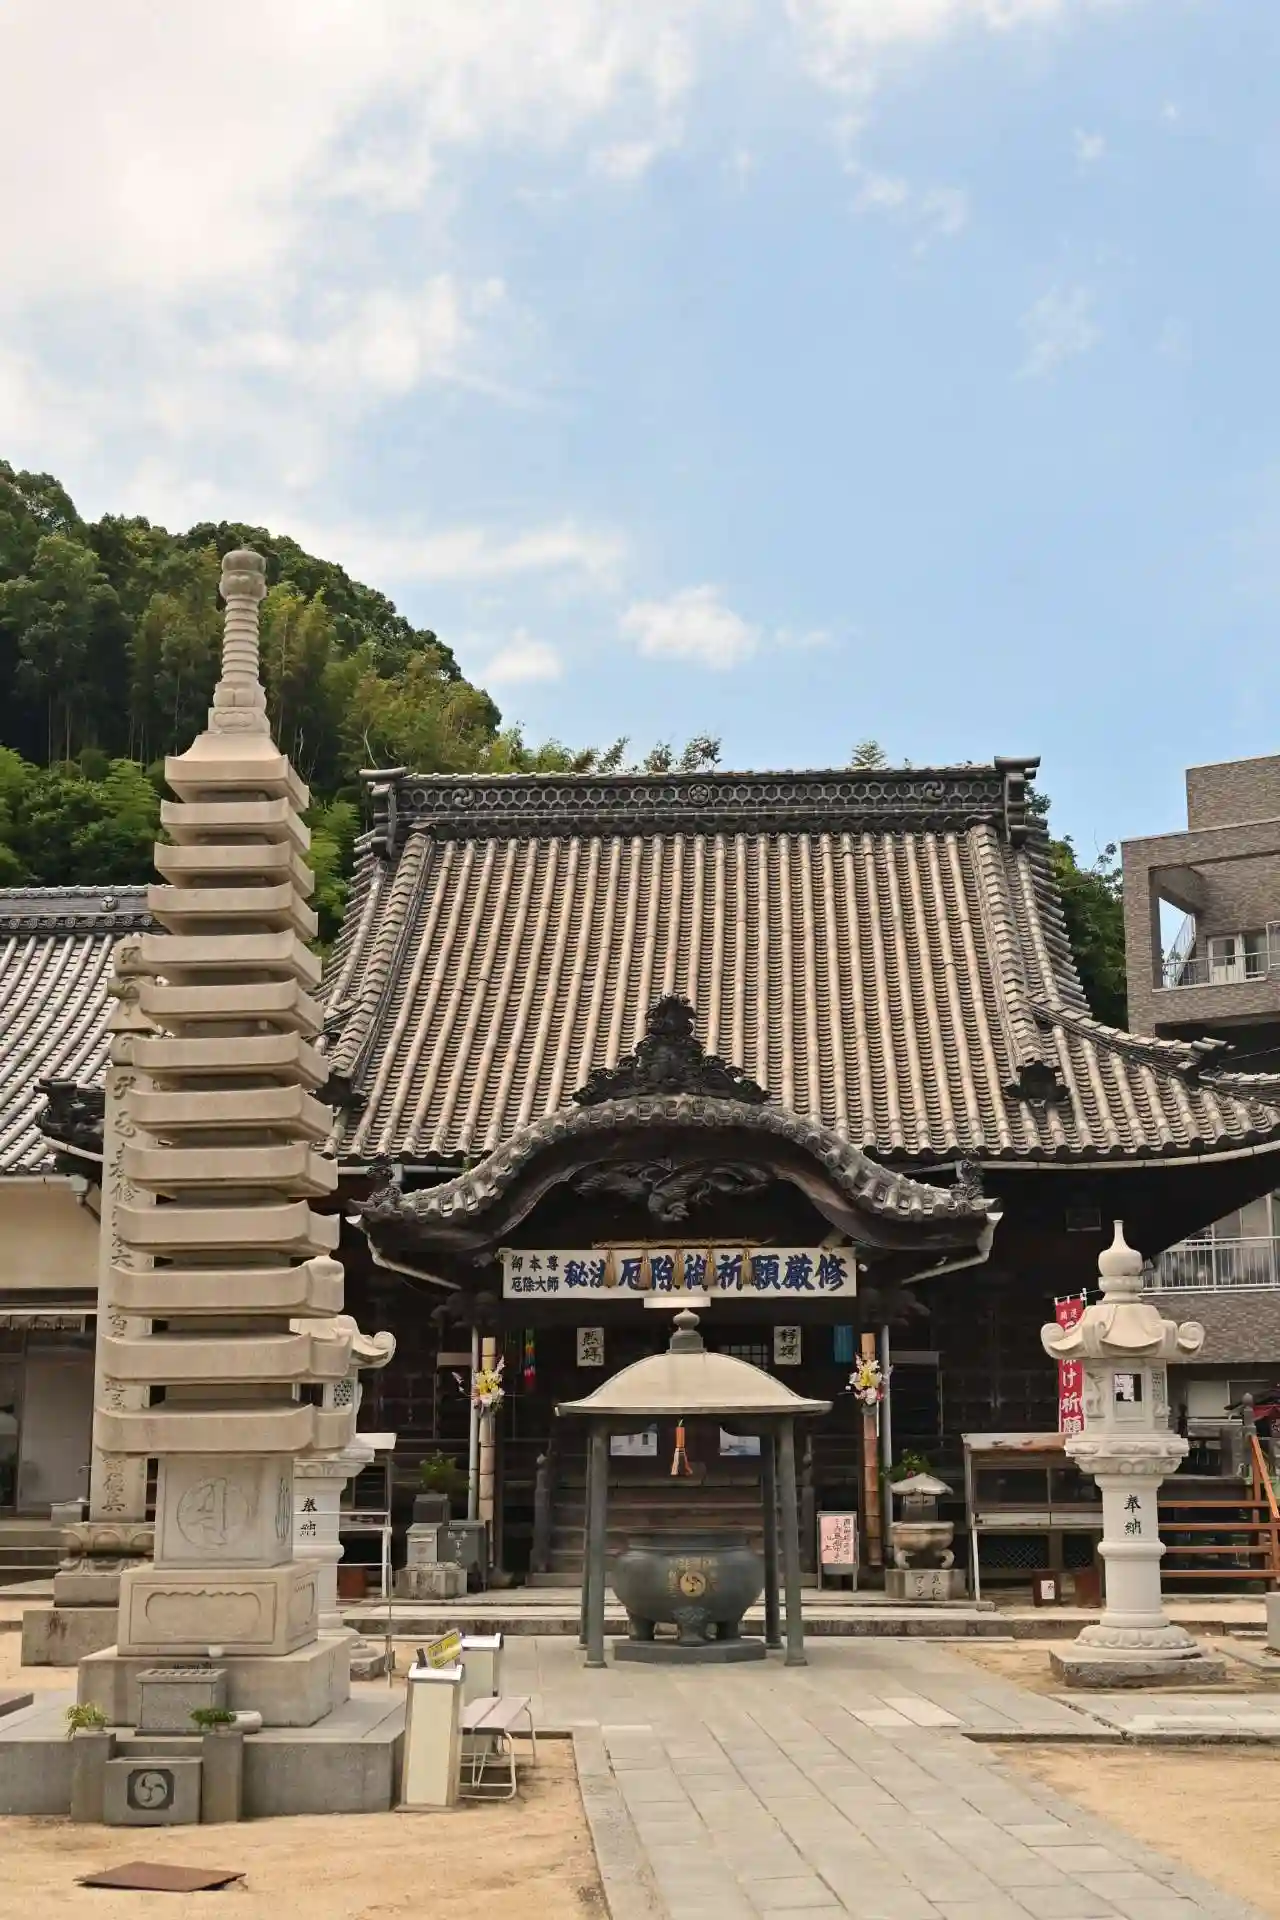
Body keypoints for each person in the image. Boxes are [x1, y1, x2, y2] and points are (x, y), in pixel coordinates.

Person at [0, 1402, 17, 1511]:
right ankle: (8, 1499)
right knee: (9, 1482)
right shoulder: (13, 1421)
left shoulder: (7, 1421)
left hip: (5, 1459)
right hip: (11, 1459)